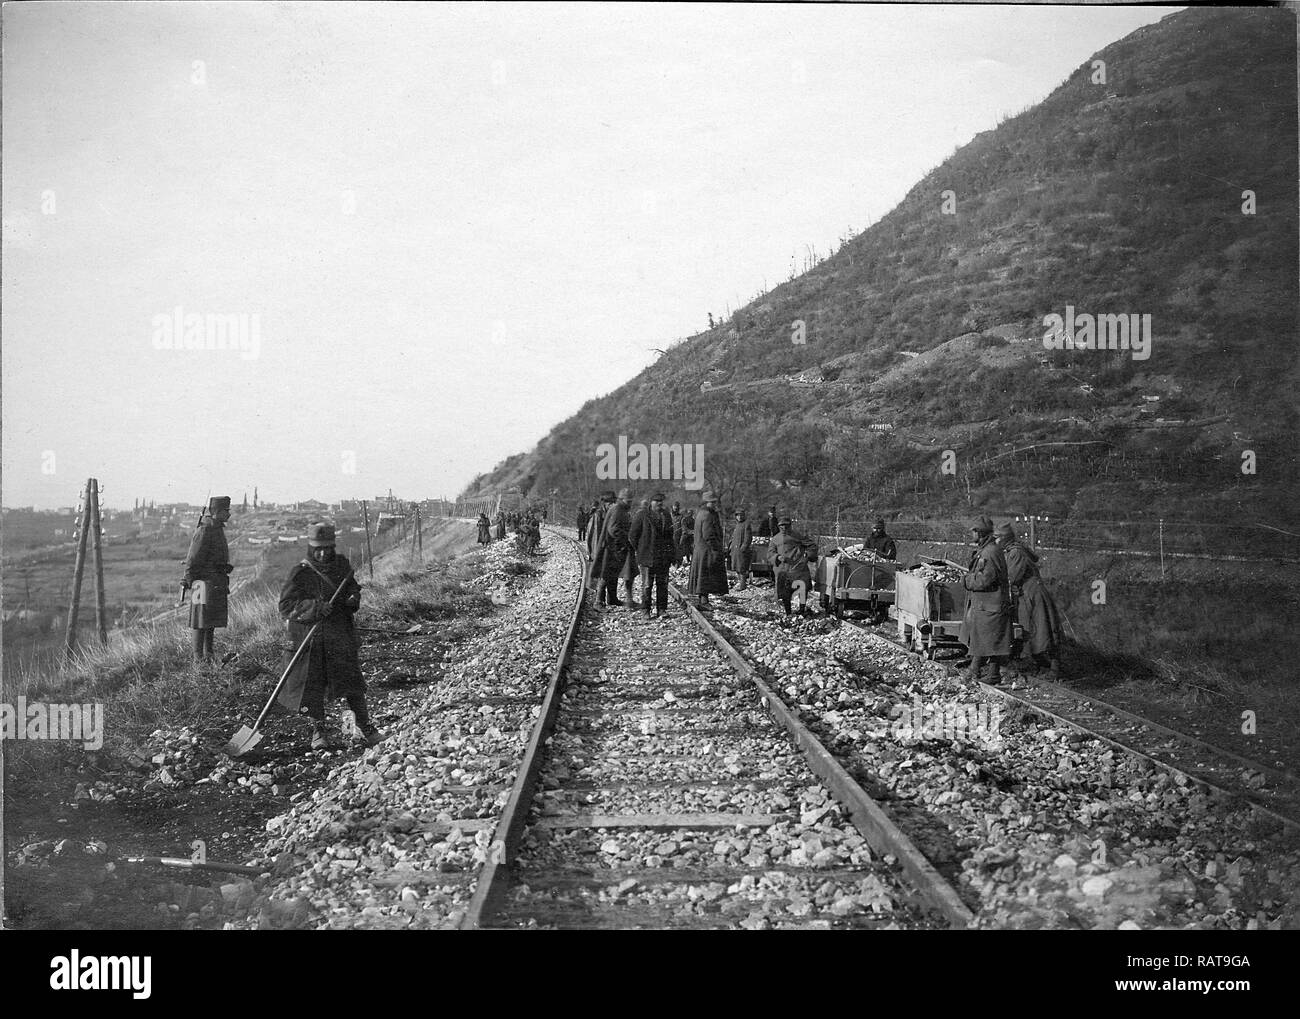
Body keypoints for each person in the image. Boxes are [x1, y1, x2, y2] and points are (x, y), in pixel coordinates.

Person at [277, 523, 382, 750]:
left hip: (339, 636)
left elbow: (353, 587)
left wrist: (353, 598)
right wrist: (315, 607)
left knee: (352, 683)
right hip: (311, 639)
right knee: (312, 687)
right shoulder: (301, 572)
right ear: (311, 548)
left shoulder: (342, 565)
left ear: (333, 547)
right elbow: (285, 606)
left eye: (327, 548)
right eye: (318, 549)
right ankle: (319, 731)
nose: (323, 553)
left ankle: (366, 727)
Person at [996, 522, 1064, 680]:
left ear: (1005, 538)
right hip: (1026, 596)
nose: (996, 542)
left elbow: (1012, 577)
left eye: (997, 538)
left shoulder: (1016, 553)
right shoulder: (1013, 551)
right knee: (1033, 631)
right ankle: (1041, 664)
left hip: (1033, 595)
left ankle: (1054, 669)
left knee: (1045, 629)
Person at [959, 516, 1013, 686]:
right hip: (987, 604)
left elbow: (984, 580)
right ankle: (980, 671)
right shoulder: (989, 549)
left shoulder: (989, 552)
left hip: (991, 604)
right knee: (986, 639)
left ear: (980, 533)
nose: (971, 534)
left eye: (974, 531)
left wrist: (966, 580)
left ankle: (990, 674)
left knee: (990, 640)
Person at [181, 496, 233, 660]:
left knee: (209, 622)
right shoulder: (205, 530)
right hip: (201, 584)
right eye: (226, 511)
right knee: (199, 621)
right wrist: (189, 580)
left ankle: (208, 655)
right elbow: (192, 559)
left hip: (214, 582)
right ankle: (198, 659)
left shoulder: (216, 528)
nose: (229, 514)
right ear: (217, 512)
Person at [629, 492, 677, 618]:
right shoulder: (642, 515)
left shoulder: (666, 515)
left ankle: (662, 609)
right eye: (656, 501)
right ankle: (646, 610)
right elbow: (633, 536)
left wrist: (672, 554)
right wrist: (640, 550)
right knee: (647, 585)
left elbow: (670, 537)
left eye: (661, 501)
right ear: (651, 502)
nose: (659, 503)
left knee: (662, 584)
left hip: (663, 557)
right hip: (647, 557)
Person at [687, 491, 728, 608]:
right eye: (712, 502)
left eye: (714, 502)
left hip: (701, 550)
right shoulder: (707, 515)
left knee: (702, 575)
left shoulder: (701, 513)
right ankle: (704, 602)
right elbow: (708, 535)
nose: (714, 504)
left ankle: (702, 599)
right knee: (705, 576)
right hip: (707, 550)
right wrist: (716, 549)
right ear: (706, 502)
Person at [770, 516, 817, 615]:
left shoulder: (798, 536)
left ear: (790, 525)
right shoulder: (775, 539)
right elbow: (770, 554)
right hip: (783, 570)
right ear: (778, 526)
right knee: (785, 593)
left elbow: (812, 546)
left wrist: (807, 556)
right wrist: (777, 557)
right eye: (781, 526)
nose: (784, 528)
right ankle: (788, 612)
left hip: (799, 568)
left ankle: (802, 610)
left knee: (802, 590)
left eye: (786, 525)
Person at [599, 488, 636, 609]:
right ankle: (598, 601)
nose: (630, 504)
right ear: (621, 499)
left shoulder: (622, 509)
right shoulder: (617, 509)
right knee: (606, 574)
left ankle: (613, 599)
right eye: (628, 501)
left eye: (631, 501)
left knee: (615, 574)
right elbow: (613, 529)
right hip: (613, 547)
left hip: (619, 547)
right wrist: (627, 538)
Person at [728, 508, 754, 591]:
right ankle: (741, 583)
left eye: (741, 515)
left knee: (742, 568)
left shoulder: (746, 524)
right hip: (735, 550)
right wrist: (730, 547)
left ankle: (743, 585)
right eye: (737, 515)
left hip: (741, 551)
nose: (739, 517)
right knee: (737, 568)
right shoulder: (737, 525)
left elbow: (748, 538)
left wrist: (743, 548)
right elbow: (733, 537)